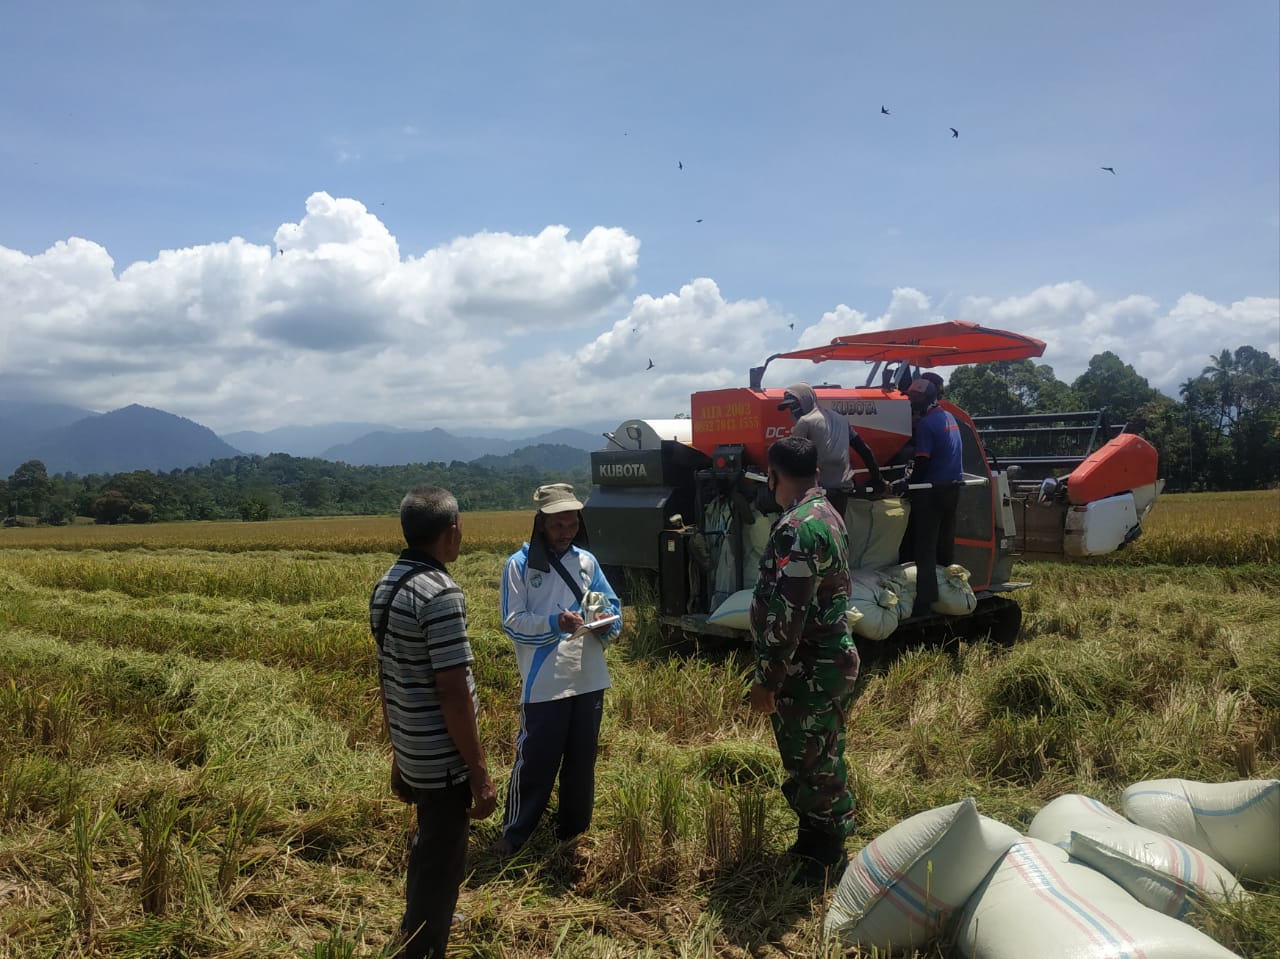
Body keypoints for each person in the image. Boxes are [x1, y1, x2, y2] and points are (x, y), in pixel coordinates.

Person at [370, 487, 497, 959]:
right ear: (452, 532)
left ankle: (420, 923)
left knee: (430, 845)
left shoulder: (387, 584)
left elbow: (389, 678)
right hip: (442, 759)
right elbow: (453, 692)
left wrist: (399, 757)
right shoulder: (441, 593)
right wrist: (479, 772)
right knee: (441, 858)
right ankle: (423, 947)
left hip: (412, 749)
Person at [748, 436, 860, 886]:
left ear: (774, 475)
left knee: (810, 760)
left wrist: (768, 678)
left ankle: (823, 854)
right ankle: (815, 841)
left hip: (806, 667)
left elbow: (788, 611)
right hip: (827, 659)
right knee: (824, 754)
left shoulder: (796, 526)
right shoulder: (828, 514)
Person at [493, 482, 622, 857]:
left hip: (588, 674)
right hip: (545, 679)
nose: (566, 533)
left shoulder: (586, 562)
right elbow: (513, 621)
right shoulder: (518, 566)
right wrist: (554, 623)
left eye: (571, 525)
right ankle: (515, 833)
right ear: (540, 524)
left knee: (582, 760)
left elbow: (606, 603)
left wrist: (604, 621)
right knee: (536, 758)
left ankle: (573, 831)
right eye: (557, 526)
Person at [898, 378, 965, 617]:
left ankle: (924, 603)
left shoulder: (926, 424)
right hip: (952, 489)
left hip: (932, 490)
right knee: (944, 544)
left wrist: (907, 485)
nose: (910, 401)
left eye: (913, 397)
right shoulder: (948, 418)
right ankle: (950, 593)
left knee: (924, 547)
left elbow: (923, 461)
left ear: (923, 398)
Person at [778, 382, 888, 515]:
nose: (792, 410)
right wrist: (878, 479)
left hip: (818, 493)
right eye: (789, 407)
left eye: (795, 405)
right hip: (843, 490)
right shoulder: (841, 419)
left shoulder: (805, 422)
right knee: (837, 528)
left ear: (807, 399)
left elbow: (792, 459)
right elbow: (864, 450)